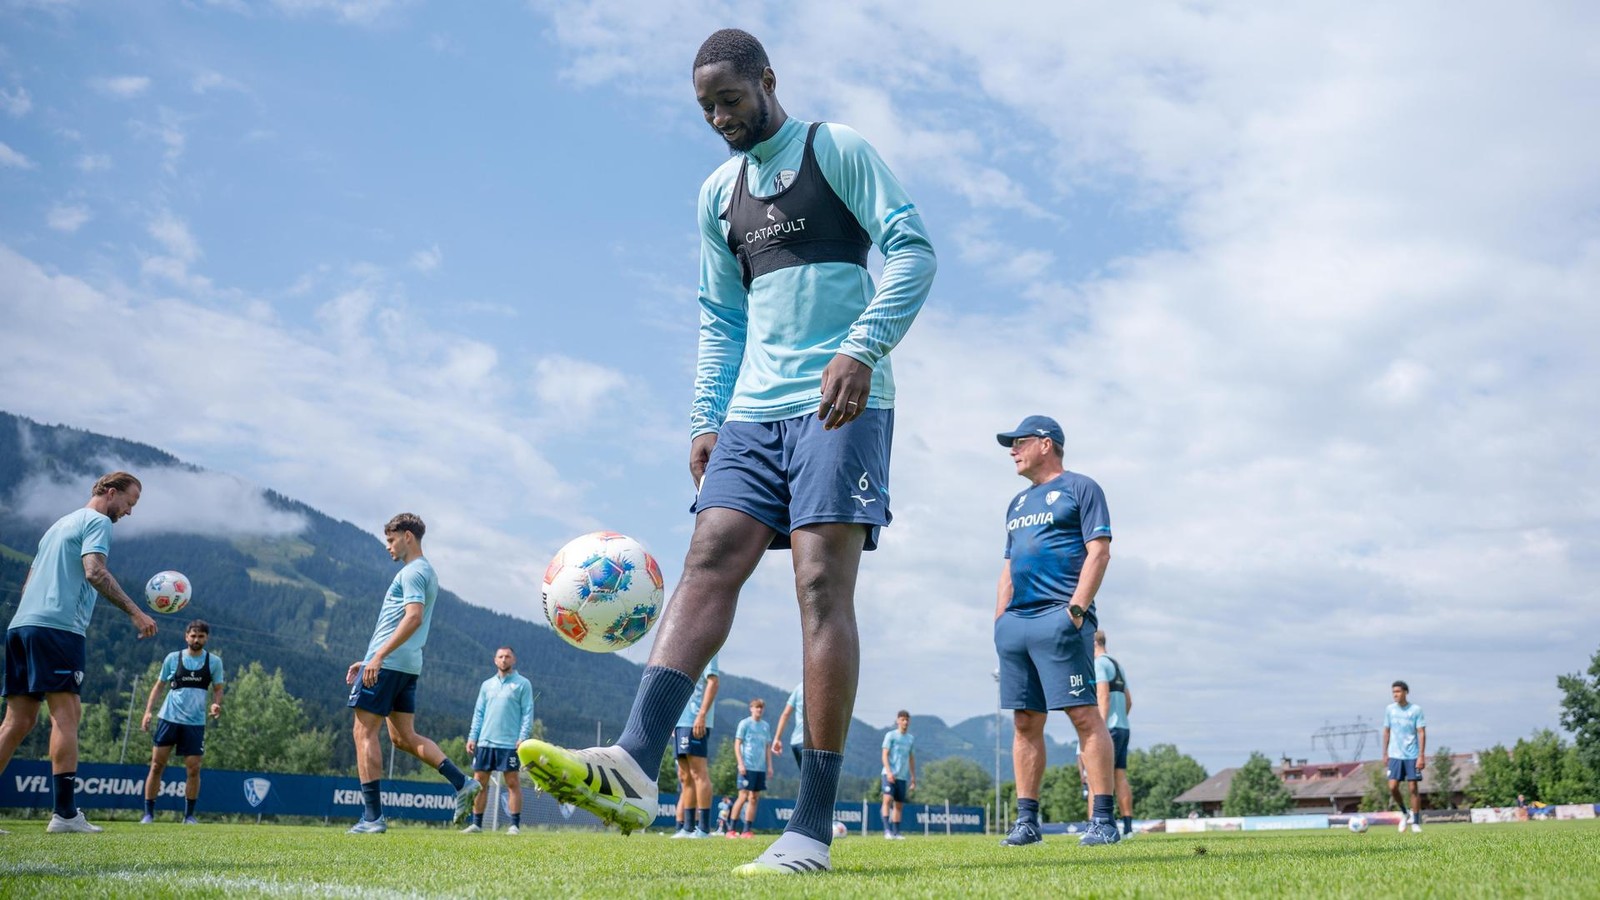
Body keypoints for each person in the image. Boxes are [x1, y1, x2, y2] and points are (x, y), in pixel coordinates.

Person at [518, 26, 935, 879]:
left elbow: (913, 251)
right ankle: (634, 764)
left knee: (820, 585)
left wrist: (863, 346)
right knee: (709, 557)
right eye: (705, 108)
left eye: (729, 101)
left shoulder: (836, 149)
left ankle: (811, 829)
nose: (718, 118)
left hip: (841, 400)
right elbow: (721, 318)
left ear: (767, 82)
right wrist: (705, 418)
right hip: (752, 412)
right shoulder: (716, 195)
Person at [0, 471, 157, 834]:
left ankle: (64, 813)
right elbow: (94, 572)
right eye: (130, 503)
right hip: (58, 630)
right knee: (66, 717)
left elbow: (28, 582)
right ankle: (66, 814)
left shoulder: (58, 525)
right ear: (111, 492)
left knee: (16, 722)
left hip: (22, 627)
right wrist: (136, 612)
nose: (129, 512)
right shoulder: (99, 521)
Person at [992, 416, 1120, 848]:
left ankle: (1103, 819)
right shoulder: (1015, 504)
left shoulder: (1082, 488)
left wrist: (1077, 610)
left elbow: (1098, 552)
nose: (1012, 449)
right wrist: (999, 621)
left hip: (1061, 618)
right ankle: (1027, 822)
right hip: (1017, 625)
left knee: (1083, 714)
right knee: (1025, 721)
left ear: (1046, 444)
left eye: (1019, 442)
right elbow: (1008, 566)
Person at [345, 513, 478, 834]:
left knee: (363, 733)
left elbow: (413, 617)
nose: (388, 547)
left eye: (390, 540)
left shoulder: (413, 572)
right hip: (406, 665)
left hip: (389, 663)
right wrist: (368, 659)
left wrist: (377, 656)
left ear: (407, 536)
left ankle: (372, 818)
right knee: (403, 737)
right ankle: (462, 783)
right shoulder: (426, 572)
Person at [140, 619, 225, 824]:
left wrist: (216, 704)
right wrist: (148, 711)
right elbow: (159, 685)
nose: (196, 639)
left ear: (206, 638)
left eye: (201, 636)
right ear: (186, 636)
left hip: (195, 723)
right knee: (156, 766)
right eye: (193, 636)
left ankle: (188, 816)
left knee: (194, 769)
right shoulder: (173, 658)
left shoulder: (214, 662)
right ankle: (148, 814)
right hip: (168, 719)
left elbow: (218, 688)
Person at [463, 646, 534, 835]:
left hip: (510, 743)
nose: (504, 659)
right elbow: (479, 713)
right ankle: (476, 824)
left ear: (514, 660)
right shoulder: (487, 685)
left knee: (512, 782)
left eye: (508, 656)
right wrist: (473, 737)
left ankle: (514, 825)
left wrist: (522, 737)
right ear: (495, 660)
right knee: (480, 783)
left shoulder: (522, 684)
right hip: (485, 742)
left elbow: (528, 712)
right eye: (501, 656)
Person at [670, 656, 720, 839]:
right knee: (684, 776)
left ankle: (704, 828)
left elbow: (713, 682)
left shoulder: (709, 648)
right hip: (680, 721)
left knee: (698, 773)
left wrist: (702, 714)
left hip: (696, 720)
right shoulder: (681, 648)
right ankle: (688, 827)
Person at [1093, 631, 1134, 836]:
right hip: (1123, 727)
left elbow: (1103, 696)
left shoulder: (1099, 664)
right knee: (1120, 777)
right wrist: (1121, 720)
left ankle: (1099, 824)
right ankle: (1128, 828)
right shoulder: (1117, 665)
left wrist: (1099, 728)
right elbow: (1129, 701)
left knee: (1096, 775)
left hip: (1107, 728)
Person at [1383, 680, 1426, 834]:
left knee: (1413, 787)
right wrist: (1385, 753)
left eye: (1398, 691)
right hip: (1395, 755)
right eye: (1393, 692)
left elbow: (1421, 732)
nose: (1395, 694)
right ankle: (1404, 812)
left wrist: (1421, 755)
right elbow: (1386, 731)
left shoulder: (1416, 710)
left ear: (1406, 692)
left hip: (1412, 754)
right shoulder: (1389, 710)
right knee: (1392, 786)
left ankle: (1415, 822)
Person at [729, 698, 773, 837]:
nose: (759, 710)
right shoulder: (745, 723)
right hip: (746, 766)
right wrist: (740, 763)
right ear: (751, 708)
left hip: (759, 768)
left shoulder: (765, 726)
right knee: (742, 796)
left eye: (761, 707)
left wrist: (769, 766)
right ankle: (731, 829)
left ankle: (747, 830)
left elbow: (767, 747)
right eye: (756, 707)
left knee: (754, 798)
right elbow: (737, 744)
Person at [880, 710, 916, 839]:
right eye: (902, 719)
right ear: (897, 721)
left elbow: (911, 759)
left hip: (902, 776)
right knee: (888, 799)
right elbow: (884, 755)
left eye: (907, 719)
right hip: (888, 775)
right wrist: (889, 772)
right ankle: (887, 831)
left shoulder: (910, 739)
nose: (905, 722)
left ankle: (896, 832)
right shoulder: (891, 736)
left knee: (899, 804)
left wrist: (913, 777)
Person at [769, 681, 805, 769]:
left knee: (807, 778)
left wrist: (777, 738)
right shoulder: (820, 685)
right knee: (814, 780)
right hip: (811, 743)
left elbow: (785, 714)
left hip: (796, 742)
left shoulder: (799, 687)